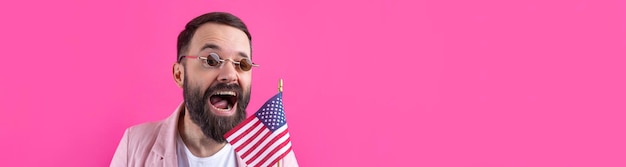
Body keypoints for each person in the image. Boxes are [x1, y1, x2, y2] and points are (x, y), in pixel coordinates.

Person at [110, 12, 299, 167]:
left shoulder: (275, 154)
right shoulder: (134, 145)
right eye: (211, 60)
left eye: (242, 63)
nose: (230, 74)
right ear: (179, 75)